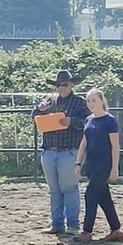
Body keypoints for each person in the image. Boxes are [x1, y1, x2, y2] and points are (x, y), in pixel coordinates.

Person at [32, 69, 90, 235]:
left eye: (65, 84)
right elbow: (35, 119)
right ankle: (57, 223)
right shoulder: (49, 102)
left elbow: (87, 122)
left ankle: (72, 225)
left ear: (71, 85)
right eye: (59, 85)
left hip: (68, 151)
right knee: (55, 189)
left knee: (69, 188)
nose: (62, 87)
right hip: (50, 151)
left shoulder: (79, 102)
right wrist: (39, 110)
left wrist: (71, 121)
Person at [73, 88, 123, 243]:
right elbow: (84, 142)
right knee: (104, 198)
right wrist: (78, 162)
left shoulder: (110, 121)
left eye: (93, 100)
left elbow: (115, 146)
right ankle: (116, 230)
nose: (91, 104)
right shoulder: (89, 120)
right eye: (88, 101)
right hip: (92, 164)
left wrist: (115, 168)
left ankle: (86, 231)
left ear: (101, 101)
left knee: (90, 196)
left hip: (104, 165)